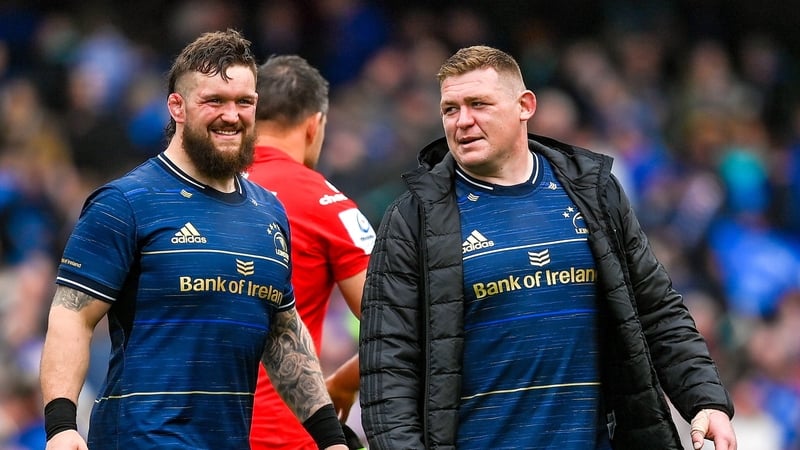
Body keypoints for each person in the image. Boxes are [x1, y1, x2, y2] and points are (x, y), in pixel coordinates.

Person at [358, 45, 738, 450]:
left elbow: (656, 308)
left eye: (478, 104)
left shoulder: (592, 192)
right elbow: (387, 365)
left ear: (525, 106)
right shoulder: (413, 218)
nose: (463, 121)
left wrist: (705, 400)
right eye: (450, 109)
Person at [38, 29, 348, 450]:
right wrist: (61, 424)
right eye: (214, 101)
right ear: (177, 106)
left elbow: (283, 334)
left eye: (244, 102)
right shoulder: (126, 201)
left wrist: (329, 439)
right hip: (140, 439)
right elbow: (73, 314)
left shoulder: (270, 212)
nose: (232, 115)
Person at [247, 54, 374, 449]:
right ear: (314, 124)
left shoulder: (201, 190)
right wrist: (345, 382)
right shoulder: (324, 204)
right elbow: (398, 326)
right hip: (283, 436)